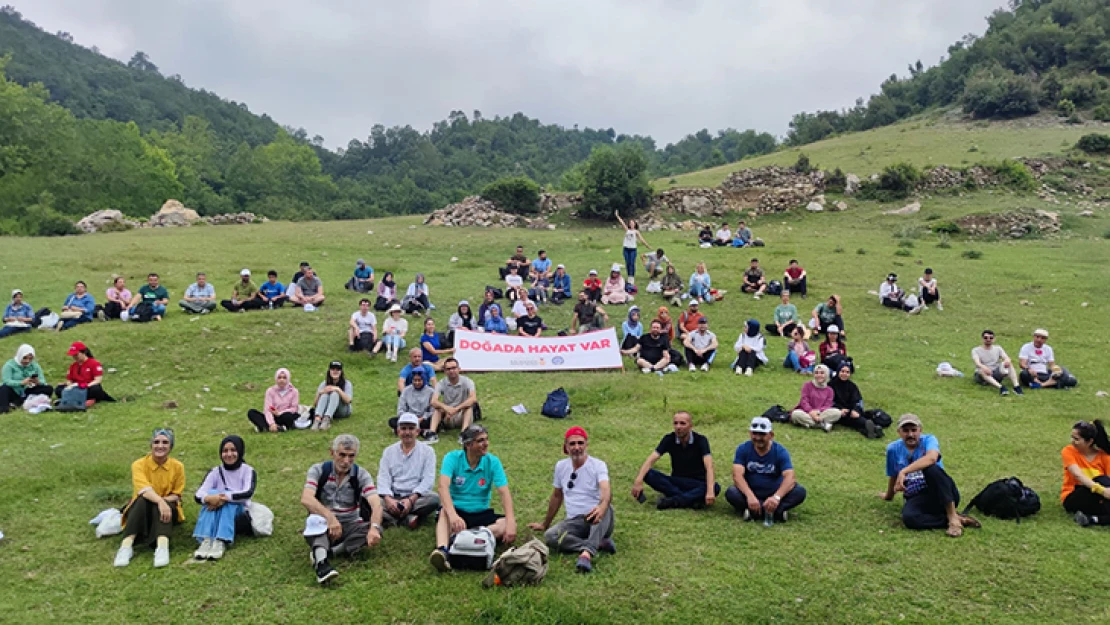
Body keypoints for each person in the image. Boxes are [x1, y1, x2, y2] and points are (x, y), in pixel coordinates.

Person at [429, 425, 517, 572]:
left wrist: (511, 522)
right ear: (468, 445)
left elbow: (504, 492)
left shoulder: (492, 462)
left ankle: (463, 538)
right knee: (444, 512)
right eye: (480, 441)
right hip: (457, 511)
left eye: (486, 439)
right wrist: (453, 515)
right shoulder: (452, 458)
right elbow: (443, 487)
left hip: (480, 512)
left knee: (504, 524)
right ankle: (443, 551)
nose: (486, 443)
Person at [528, 426, 615, 574]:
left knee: (607, 508)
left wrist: (602, 505)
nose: (577, 447)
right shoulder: (561, 466)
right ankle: (597, 544)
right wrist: (545, 524)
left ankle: (587, 554)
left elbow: (605, 489)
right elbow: (557, 496)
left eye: (580, 443)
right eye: (572, 444)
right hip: (574, 522)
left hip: (596, 517)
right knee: (551, 536)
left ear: (586, 445)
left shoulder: (598, 465)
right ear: (565, 447)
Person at [301, 434, 384, 584]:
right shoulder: (319, 470)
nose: (346, 461)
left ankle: (328, 552)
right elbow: (306, 498)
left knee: (375, 528)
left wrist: (374, 528)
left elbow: (376, 503)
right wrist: (330, 518)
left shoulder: (361, 474)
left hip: (349, 523)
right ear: (332, 453)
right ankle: (322, 565)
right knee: (314, 521)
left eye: (351, 456)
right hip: (323, 522)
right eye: (342, 455)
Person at [879, 414, 979, 537]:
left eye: (914, 430)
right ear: (899, 432)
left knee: (930, 469)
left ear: (920, 430)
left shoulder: (929, 440)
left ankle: (953, 518)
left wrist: (904, 471)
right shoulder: (893, 449)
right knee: (909, 519)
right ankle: (955, 519)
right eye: (905, 431)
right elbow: (893, 475)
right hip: (917, 496)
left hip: (942, 492)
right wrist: (889, 495)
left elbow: (932, 458)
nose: (910, 434)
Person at [113, 429, 185, 568]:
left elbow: (176, 494)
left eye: (165, 442)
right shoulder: (138, 464)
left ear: (171, 447)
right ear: (151, 445)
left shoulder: (178, 467)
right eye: (156, 442)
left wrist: (163, 502)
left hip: (169, 507)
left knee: (166, 505)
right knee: (141, 500)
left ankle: (162, 547)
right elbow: (143, 490)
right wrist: (159, 501)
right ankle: (126, 547)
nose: (160, 446)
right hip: (143, 506)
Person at [631, 412, 719, 510]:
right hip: (677, 480)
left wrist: (710, 490)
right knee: (648, 474)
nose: (678, 427)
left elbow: (709, 467)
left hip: (697, 482)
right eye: (675, 423)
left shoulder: (701, 440)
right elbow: (651, 460)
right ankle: (690, 500)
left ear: (690, 426)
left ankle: (674, 501)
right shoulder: (669, 439)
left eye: (682, 423)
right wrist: (638, 481)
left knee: (715, 487)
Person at [725, 417, 807, 522]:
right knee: (731, 492)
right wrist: (750, 496)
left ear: (771, 435)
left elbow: (790, 477)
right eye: (755, 433)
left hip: (774, 492)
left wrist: (776, 497)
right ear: (750, 433)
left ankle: (755, 512)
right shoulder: (743, 449)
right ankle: (776, 512)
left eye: (762, 434)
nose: (758, 438)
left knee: (800, 491)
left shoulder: (780, 451)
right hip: (751, 492)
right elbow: (737, 476)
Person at [192, 435, 257, 561]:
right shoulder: (215, 471)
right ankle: (206, 539)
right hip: (216, 511)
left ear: (240, 451)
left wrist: (223, 497)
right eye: (225, 451)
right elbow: (198, 495)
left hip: (239, 514)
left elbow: (247, 493)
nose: (229, 454)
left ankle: (221, 540)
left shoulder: (248, 470)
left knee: (228, 503)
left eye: (233, 450)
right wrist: (210, 498)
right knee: (211, 492)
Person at [378, 413, 440, 529]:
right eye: (403, 428)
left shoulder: (428, 452)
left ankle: (391, 518)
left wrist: (411, 500)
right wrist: (388, 499)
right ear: (398, 431)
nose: (407, 432)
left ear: (417, 431)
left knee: (434, 499)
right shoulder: (389, 451)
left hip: (416, 498)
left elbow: (428, 480)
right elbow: (383, 478)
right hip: (393, 496)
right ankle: (405, 519)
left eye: (411, 428)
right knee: (369, 500)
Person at [1062, 420, 1110, 527]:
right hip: (1074, 495)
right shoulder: (1068, 451)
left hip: (1098, 498)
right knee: (1102, 480)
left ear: (1089, 441)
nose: (1072, 441)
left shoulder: (1104, 457)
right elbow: (1077, 474)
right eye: (1072, 437)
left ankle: (1093, 519)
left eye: (1076, 439)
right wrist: (1102, 491)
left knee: (1105, 480)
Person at [427, 358, 477, 443]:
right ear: (445, 371)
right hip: (448, 416)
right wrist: (446, 408)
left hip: (462, 415)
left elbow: (473, 398)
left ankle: (463, 434)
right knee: (437, 408)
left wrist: (456, 409)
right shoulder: (441, 383)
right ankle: (432, 434)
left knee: (469, 407)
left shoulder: (467, 381)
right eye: (448, 369)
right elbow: (433, 401)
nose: (451, 371)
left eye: (454, 368)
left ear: (459, 369)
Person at [54, 341, 114, 407]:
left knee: (96, 389)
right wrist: (70, 386)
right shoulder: (73, 366)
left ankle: (84, 399)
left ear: (84, 353)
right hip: (76, 388)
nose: (74, 357)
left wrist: (86, 386)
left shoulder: (94, 363)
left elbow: (97, 380)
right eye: (73, 355)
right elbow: (69, 379)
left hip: (88, 387)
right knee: (59, 389)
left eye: (76, 355)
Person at [830, 363, 879, 438]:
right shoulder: (831, 385)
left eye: (847, 372)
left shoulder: (852, 386)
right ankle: (873, 429)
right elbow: (828, 401)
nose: (844, 374)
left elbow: (858, 400)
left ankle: (870, 431)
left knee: (855, 418)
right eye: (842, 371)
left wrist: (856, 410)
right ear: (838, 372)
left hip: (850, 411)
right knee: (854, 420)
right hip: (837, 412)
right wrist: (840, 409)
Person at [0, 344, 51, 413]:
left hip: (28, 390)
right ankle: (4, 408)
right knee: (4, 388)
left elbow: (43, 381)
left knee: (48, 388)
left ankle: (21, 402)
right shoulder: (9, 365)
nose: (27, 361)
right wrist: (21, 383)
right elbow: (6, 381)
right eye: (25, 358)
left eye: (30, 359)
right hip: (14, 390)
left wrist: (37, 382)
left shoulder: (34, 365)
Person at [247, 368, 300, 433]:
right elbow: (267, 409)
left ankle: (264, 428)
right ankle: (275, 428)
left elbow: (294, 408)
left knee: (288, 416)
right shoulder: (270, 391)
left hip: (284, 416)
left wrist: (280, 413)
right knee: (252, 412)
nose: (281, 380)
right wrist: (272, 423)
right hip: (272, 416)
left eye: (284, 378)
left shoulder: (294, 391)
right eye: (279, 378)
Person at [972, 329, 1023, 396]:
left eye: (991, 338)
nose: (988, 339)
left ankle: (1016, 386)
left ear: (994, 339)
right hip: (982, 376)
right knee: (981, 370)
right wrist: (984, 367)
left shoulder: (998, 348)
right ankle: (1001, 388)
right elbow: (977, 363)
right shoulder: (976, 350)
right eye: (986, 338)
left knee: (1009, 364)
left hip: (995, 373)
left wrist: (1007, 361)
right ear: (982, 339)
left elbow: (1006, 358)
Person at [790, 364, 840, 432]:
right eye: (816, 373)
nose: (819, 375)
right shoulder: (807, 385)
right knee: (796, 414)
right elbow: (804, 401)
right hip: (806, 412)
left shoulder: (830, 390)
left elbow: (827, 405)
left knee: (837, 413)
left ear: (826, 374)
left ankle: (809, 423)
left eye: (822, 373)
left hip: (821, 413)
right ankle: (822, 425)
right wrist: (811, 412)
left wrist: (817, 412)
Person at [313, 362, 353, 431]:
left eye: (338, 369)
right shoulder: (324, 383)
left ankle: (326, 420)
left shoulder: (347, 383)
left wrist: (338, 390)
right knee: (324, 394)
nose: (335, 371)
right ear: (329, 371)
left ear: (341, 372)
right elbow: (315, 404)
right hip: (327, 409)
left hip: (342, 410)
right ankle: (317, 420)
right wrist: (320, 393)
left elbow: (348, 400)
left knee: (335, 394)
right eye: (333, 369)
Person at [614, 212, 649, 284]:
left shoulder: (636, 232)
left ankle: (631, 276)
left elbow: (641, 239)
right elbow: (622, 223)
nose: (631, 224)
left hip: (633, 249)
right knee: (627, 263)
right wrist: (617, 216)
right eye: (630, 223)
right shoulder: (627, 230)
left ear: (635, 224)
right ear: (629, 224)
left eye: (633, 223)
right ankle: (629, 275)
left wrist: (647, 245)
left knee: (632, 263)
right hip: (626, 249)